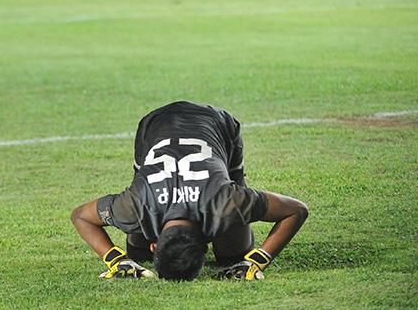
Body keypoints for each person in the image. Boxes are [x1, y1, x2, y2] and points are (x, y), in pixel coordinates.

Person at [71, 101, 308, 281]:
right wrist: (257, 261)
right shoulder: (135, 206)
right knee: (137, 253)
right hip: (156, 123)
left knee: (234, 256)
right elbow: (296, 210)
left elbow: (80, 215)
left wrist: (116, 260)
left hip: (216, 123)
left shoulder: (226, 202)